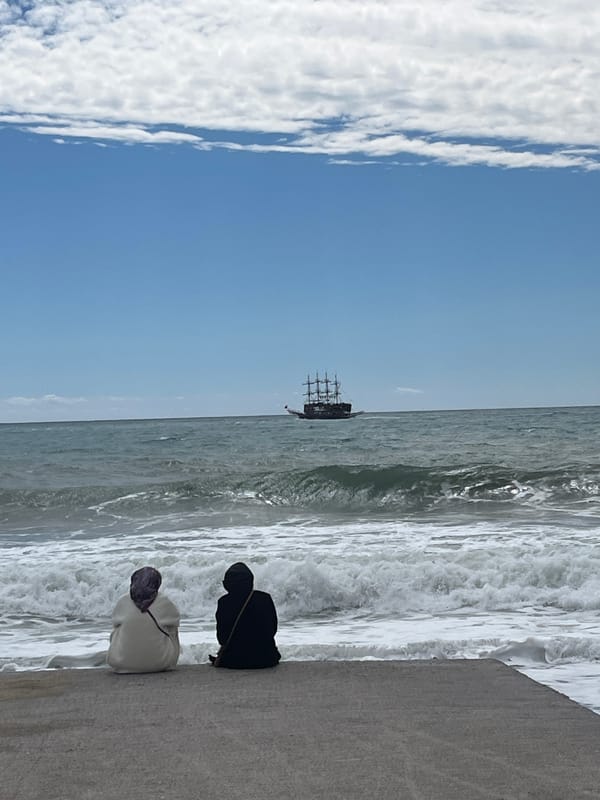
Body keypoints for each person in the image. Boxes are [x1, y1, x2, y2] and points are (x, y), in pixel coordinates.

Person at [107, 566, 180, 674]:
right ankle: (163, 659)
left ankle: (125, 656)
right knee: (171, 628)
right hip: (160, 664)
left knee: (118, 628)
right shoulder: (164, 601)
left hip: (121, 664)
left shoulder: (123, 600)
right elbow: (175, 621)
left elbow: (115, 622)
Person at [211, 562, 281, 669]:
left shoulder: (224, 602)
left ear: (227, 584)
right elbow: (272, 630)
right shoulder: (265, 598)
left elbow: (222, 638)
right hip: (266, 658)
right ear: (250, 581)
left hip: (234, 661)